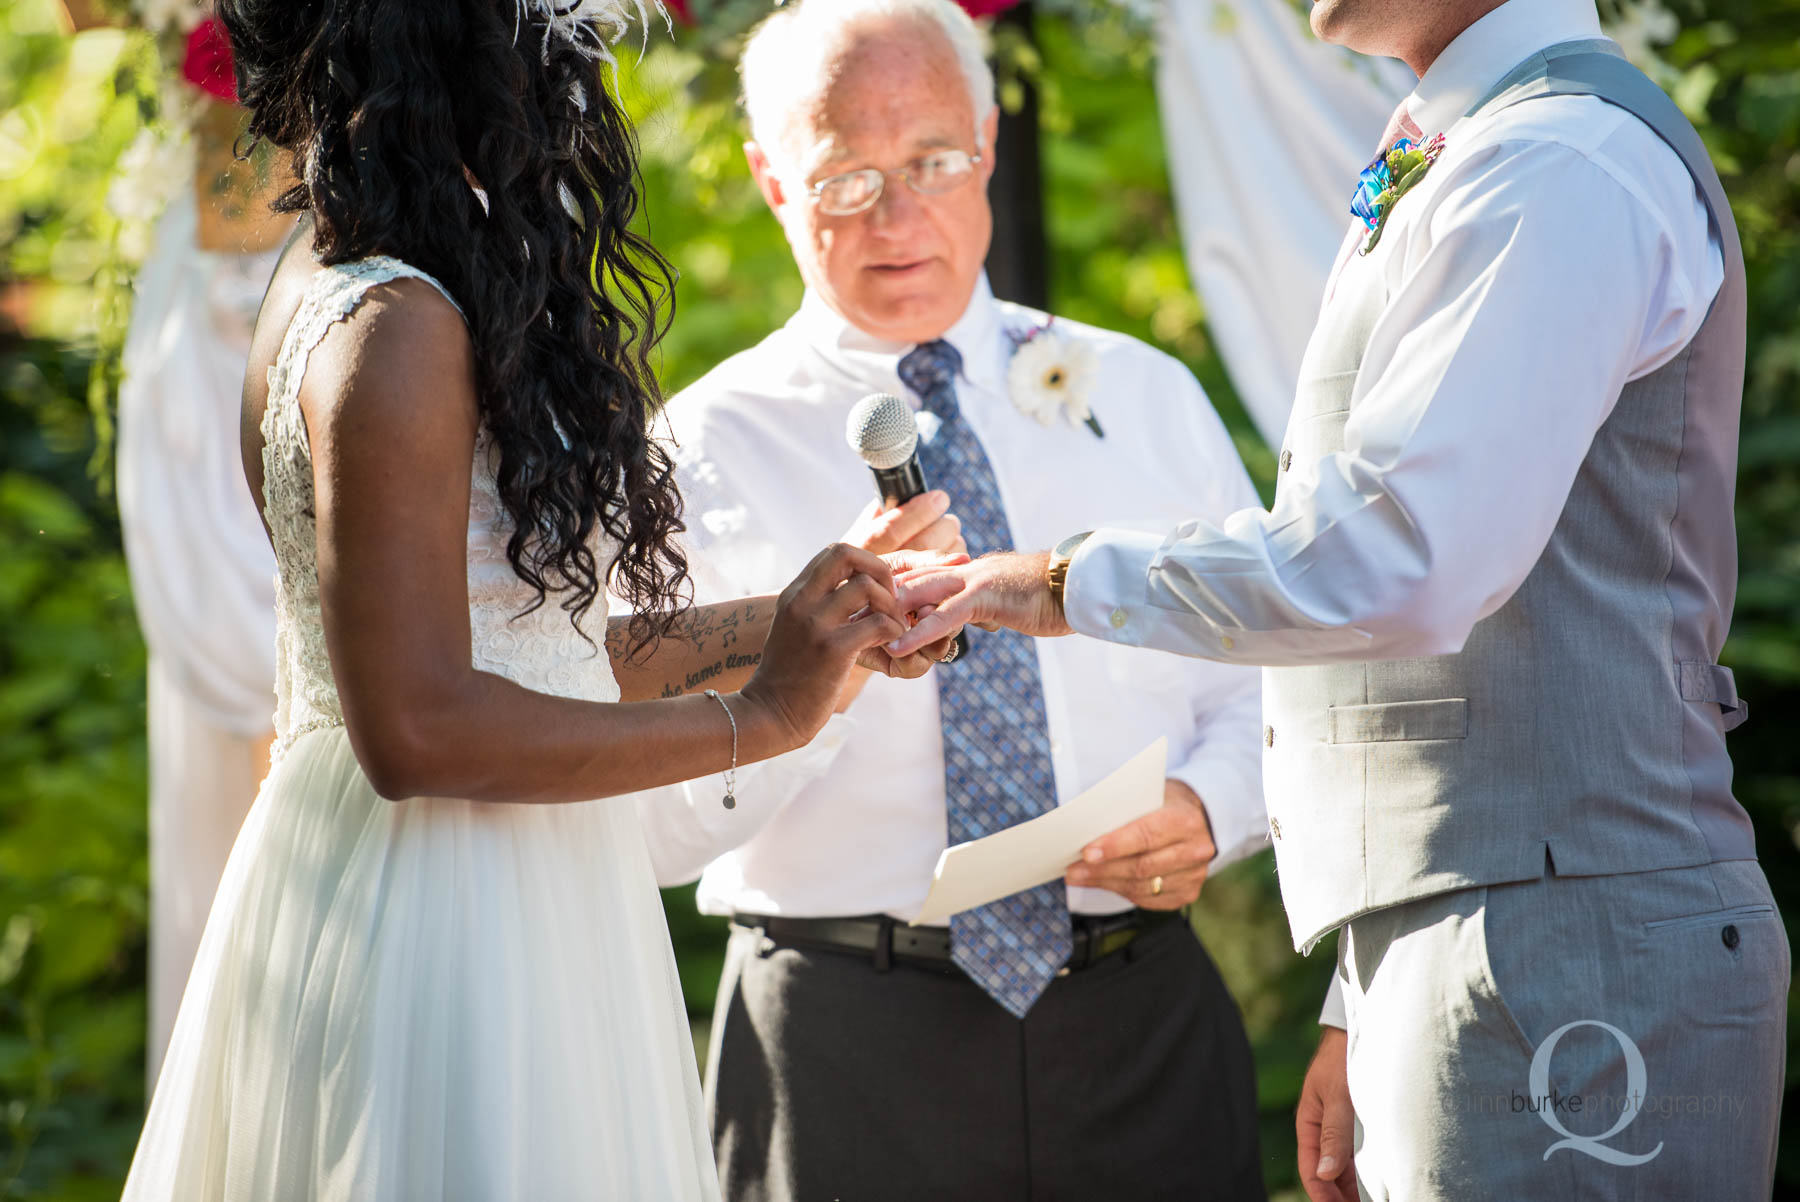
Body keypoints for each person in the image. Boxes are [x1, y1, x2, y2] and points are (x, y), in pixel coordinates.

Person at [889, 0, 1787, 1197]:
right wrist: (1361, 986)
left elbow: (1404, 561)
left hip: (1569, 947)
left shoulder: (1558, 162)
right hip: (1500, 933)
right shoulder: (1493, 148)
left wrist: (1056, 578)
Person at [120, 0, 948, 1195]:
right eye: (556, 39)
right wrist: (763, 715)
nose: (578, 77)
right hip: (444, 911)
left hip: (506, 873)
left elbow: (532, 654)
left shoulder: (369, 281)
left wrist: (795, 625)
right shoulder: (389, 325)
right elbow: (419, 726)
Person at [632, 3, 1267, 1197]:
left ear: (986, 142)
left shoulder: (1140, 393)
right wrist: (802, 676)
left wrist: (1214, 804)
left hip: (1141, 1020)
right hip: (842, 1043)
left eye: (930, 160)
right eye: (847, 177)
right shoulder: (697, 449)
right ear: (774, 180)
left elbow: (1282, 677)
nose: (898, 213)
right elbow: (650, 830)